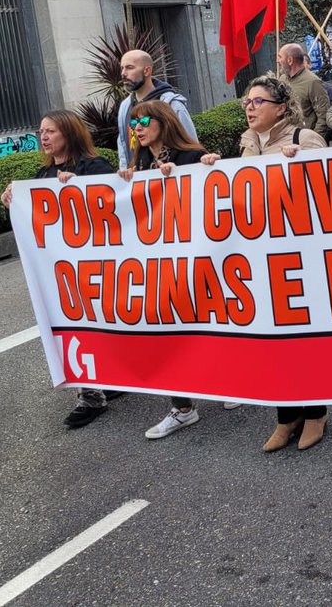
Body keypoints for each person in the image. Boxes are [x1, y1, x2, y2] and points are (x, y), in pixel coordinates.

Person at [232, 75, 331, 450]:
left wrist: (303, 163)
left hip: (299, 258)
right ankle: (285, 416)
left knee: (302, 341)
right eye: (247, 102)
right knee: (272, 344)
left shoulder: (301, 141)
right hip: (260, 260)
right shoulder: (246, 146)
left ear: (280, 108)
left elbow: (330, 188)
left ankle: (316, 412)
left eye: (258, 101)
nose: (250, 108)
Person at [1, 109, 116, 429]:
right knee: (74, 326)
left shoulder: (94, 167)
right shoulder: (41, 176)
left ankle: (111, 379)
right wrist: (14, 198)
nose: (44, 137)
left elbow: (115, 205)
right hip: (62, 271)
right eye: (41, 132)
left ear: (69, 133)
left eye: (51, 131)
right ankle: (90, 394)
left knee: (105, 323)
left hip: (98, 264)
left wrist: (78, 186)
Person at [118, 101, 219, 440]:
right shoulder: (139, 163)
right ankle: (183, 408)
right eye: (133, 124)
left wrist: (209, 165)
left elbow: (216, 194)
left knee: (208, 326)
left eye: (143, 121)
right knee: (168, 333)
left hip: (197, 261)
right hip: (160, 266)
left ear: (163, 121)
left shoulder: (191, 156)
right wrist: (128, 182)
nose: (138, 128)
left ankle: (227, 383)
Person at [116, 50, 196, 168]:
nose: (123, 73)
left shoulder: (172, 104)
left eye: (129, 68)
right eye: (122, 68)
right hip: (140, 179)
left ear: (147, 70)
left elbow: (191, 145)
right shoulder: (125, 107)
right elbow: (124, 146)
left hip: (174, 178)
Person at [277, 43, 330, 139]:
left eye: (280, 57)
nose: (278, 61)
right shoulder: (282, 80)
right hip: (285, 140)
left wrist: (313, 140)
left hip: (305, 141)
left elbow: (323, 115)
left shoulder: (313, 82)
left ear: (290, 60)